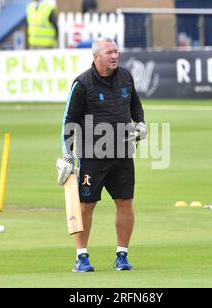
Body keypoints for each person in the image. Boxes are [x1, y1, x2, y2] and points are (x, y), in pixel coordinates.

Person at [57, 37, 147, 272]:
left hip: (122, 153)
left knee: (125, 202)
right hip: (92, 156)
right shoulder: (83, 83)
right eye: (109, 52)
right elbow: (69, 121)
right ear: (96, 57)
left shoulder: (126, 77)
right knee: (86, 205)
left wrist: (140, 123)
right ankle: (81, 257)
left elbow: (135, 104)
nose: (115, 56)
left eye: (116, 51)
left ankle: (122, 255)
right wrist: (68, 155)